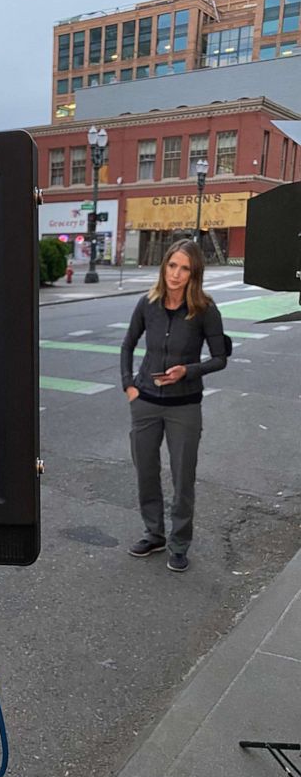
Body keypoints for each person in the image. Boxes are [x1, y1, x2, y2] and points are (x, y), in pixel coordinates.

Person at [120, 240, 227, 572]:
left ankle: (180, 543)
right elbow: (128, 345)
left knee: (183, 477)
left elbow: (220, 358)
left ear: (194, 273)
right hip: (145, 402)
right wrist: (129, 386)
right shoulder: (147, 304)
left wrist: (188, 371)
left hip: (185, 406)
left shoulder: (205, 310)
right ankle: (154, 533)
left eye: (184, 269)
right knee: (146, 472)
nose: (176, 275)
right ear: (164, 266)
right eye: (171, 266)